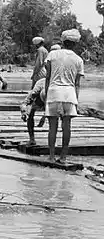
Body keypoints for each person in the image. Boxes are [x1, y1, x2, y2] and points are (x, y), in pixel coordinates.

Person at [44, 28, 84, 164]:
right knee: (67, 126)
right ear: (74, 43)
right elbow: (77, 84)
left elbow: (47, 78)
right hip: (69, 93)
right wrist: (76, 101)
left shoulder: (52, 55)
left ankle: (50, 156)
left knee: (52, 127)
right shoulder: (78, 60)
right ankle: (63, 157)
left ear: (63, 41)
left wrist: (46, 97)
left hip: (54, 92)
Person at [20, 78, 47, 146]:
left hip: (55, 95)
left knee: (54, 118)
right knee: (31, 113)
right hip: (41, 95)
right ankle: (32, 139)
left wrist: (44, 116)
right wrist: (24, 113)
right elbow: (24, 103)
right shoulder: (35, 91)